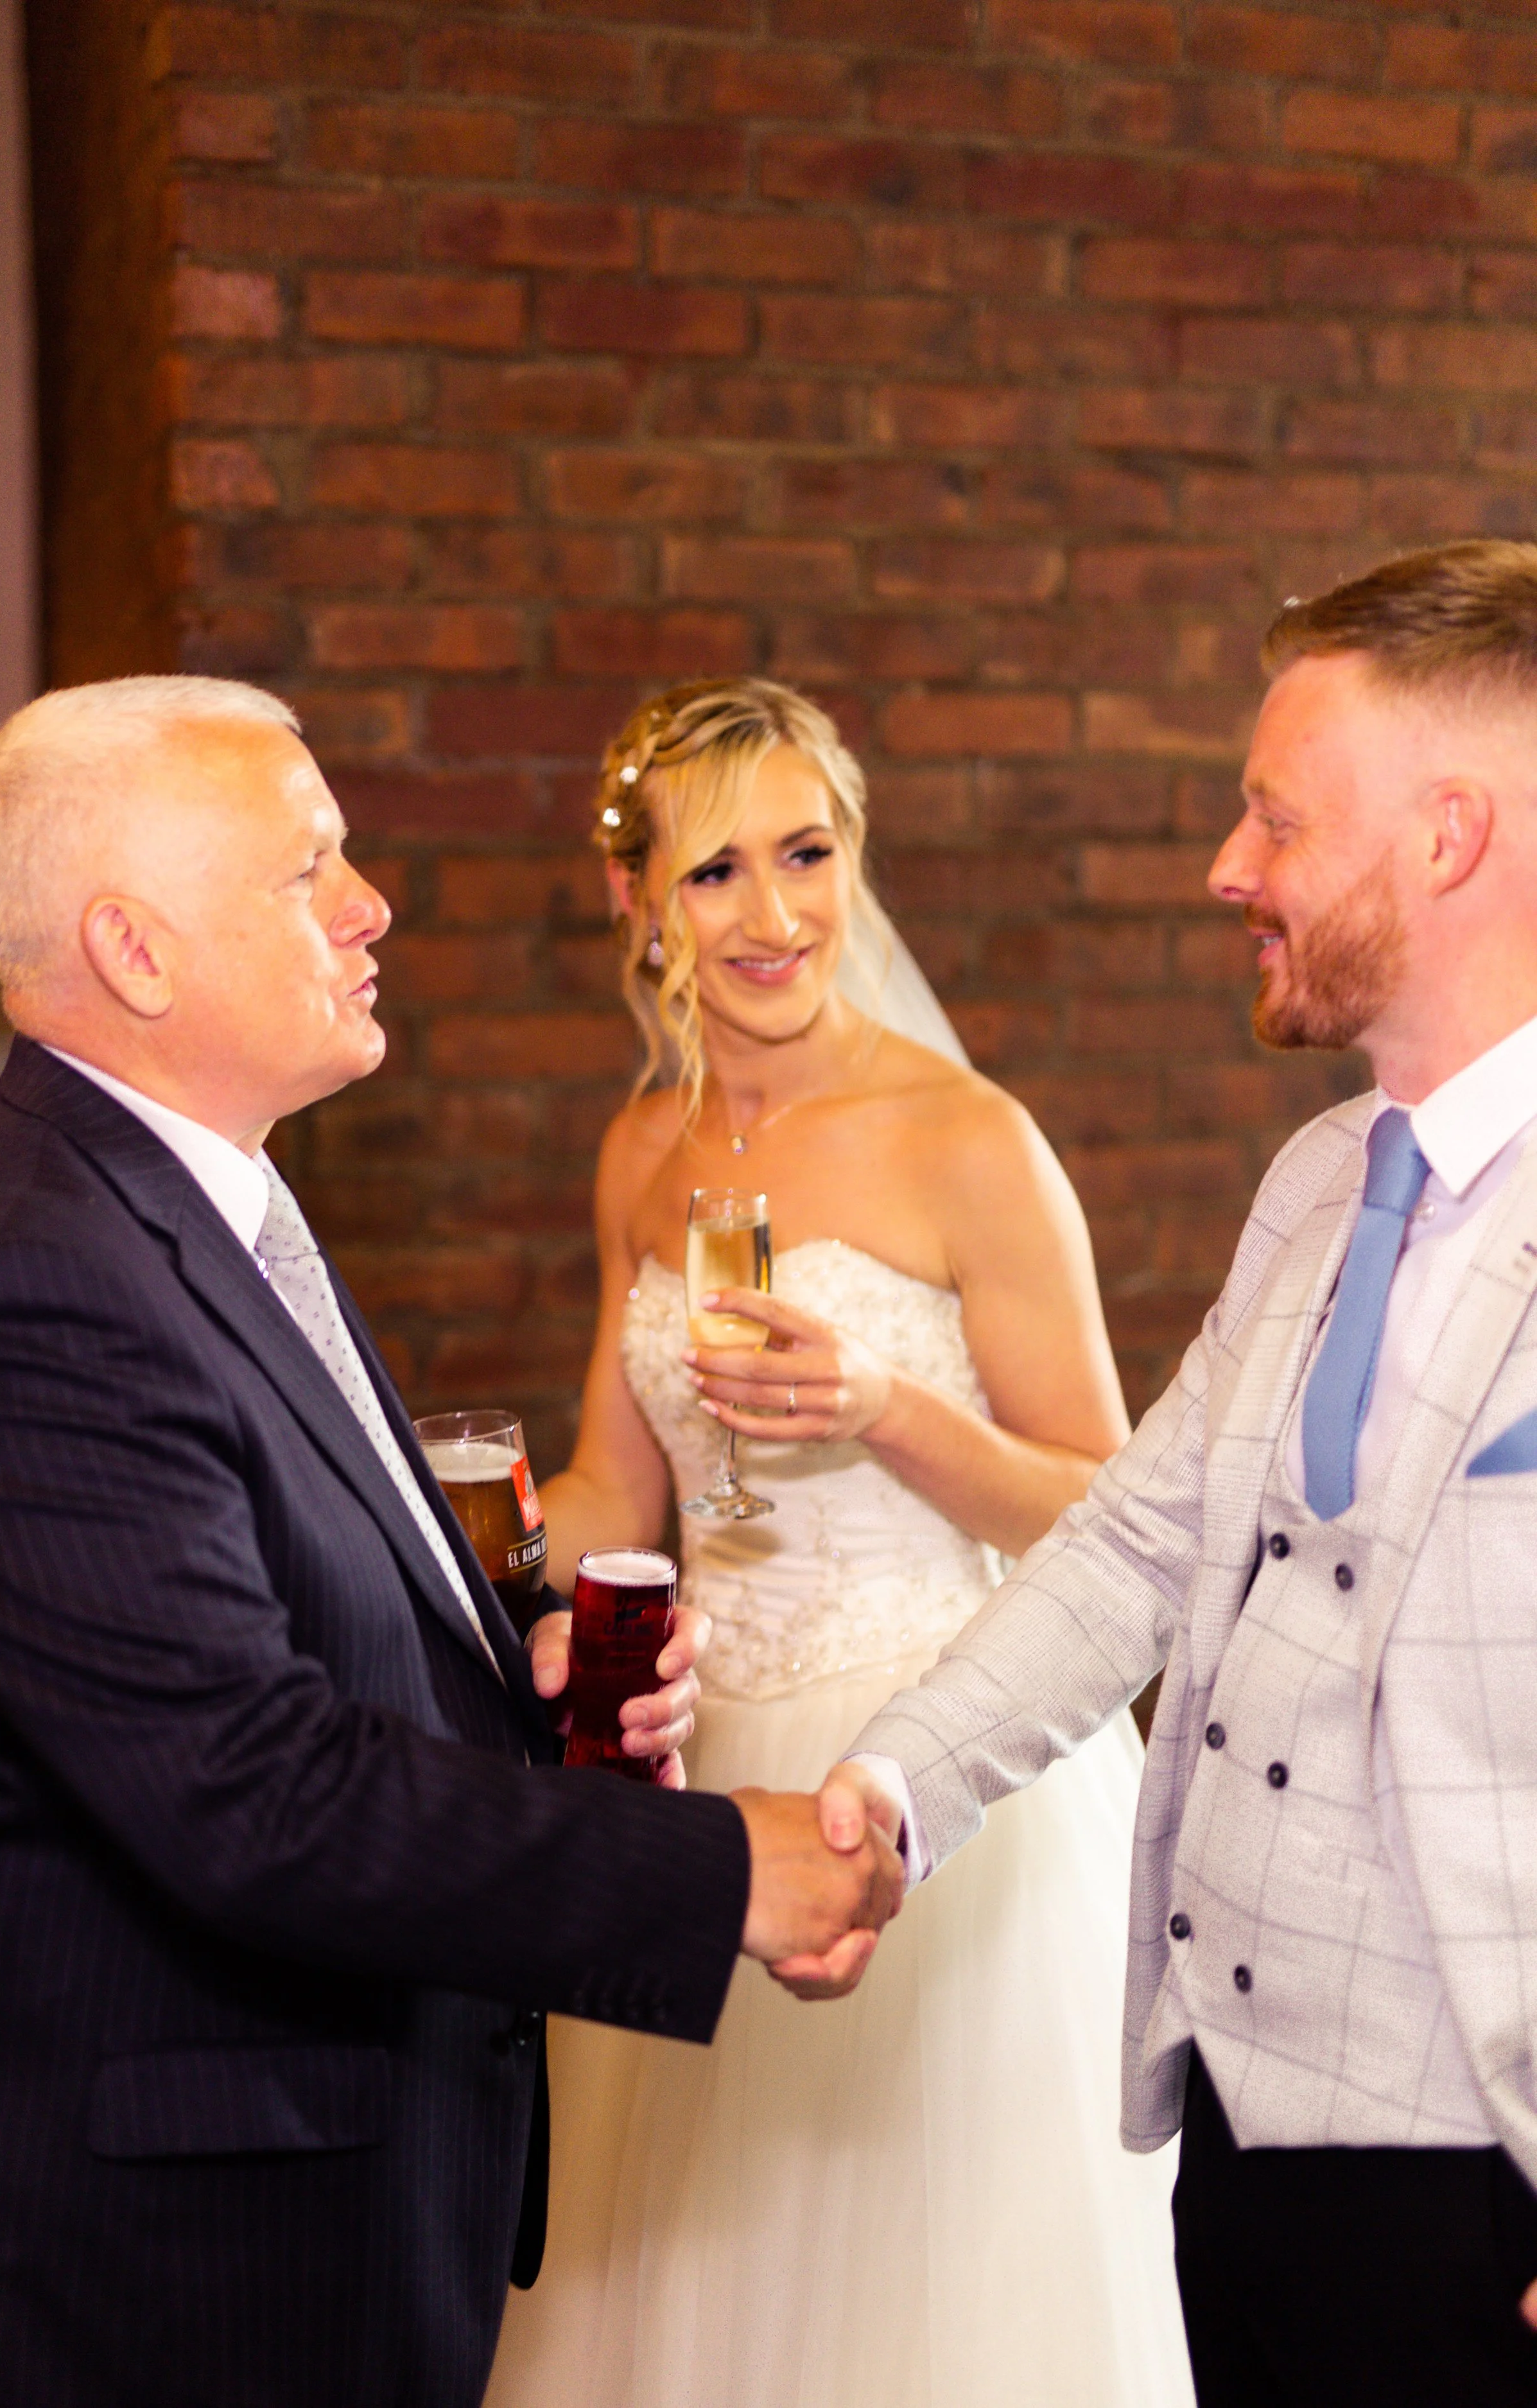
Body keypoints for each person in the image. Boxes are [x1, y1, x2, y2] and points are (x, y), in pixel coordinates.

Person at [0, 676, 901, 2408]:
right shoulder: (22, 1275)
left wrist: (513, 1686)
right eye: (312, 867)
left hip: (323, 2201)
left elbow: (262, 1632)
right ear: (137, 953)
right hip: (174, 2271)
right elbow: (245, 1787)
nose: (370, 905)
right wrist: (725, 1868)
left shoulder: (189, 1202)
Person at [820, 539, 1537, 2407]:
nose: (1230, 866)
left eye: (1274, 819)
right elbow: (1139, 1536)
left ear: (1448, 838)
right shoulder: (1313, 1185)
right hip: (1241, 2129)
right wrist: (895, 1784)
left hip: (1495, 2165)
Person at [487, 679, 1194, 2408]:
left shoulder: (968, 1141)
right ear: (635, 898)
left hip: (940, 1775)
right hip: (709, 1781)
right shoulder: (642, 1152)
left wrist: (884, 1405)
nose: (774, 912)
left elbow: (1111, 1509)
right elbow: (618, 1492)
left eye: (805, 852)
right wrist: (458, 1539)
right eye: (715, 869)